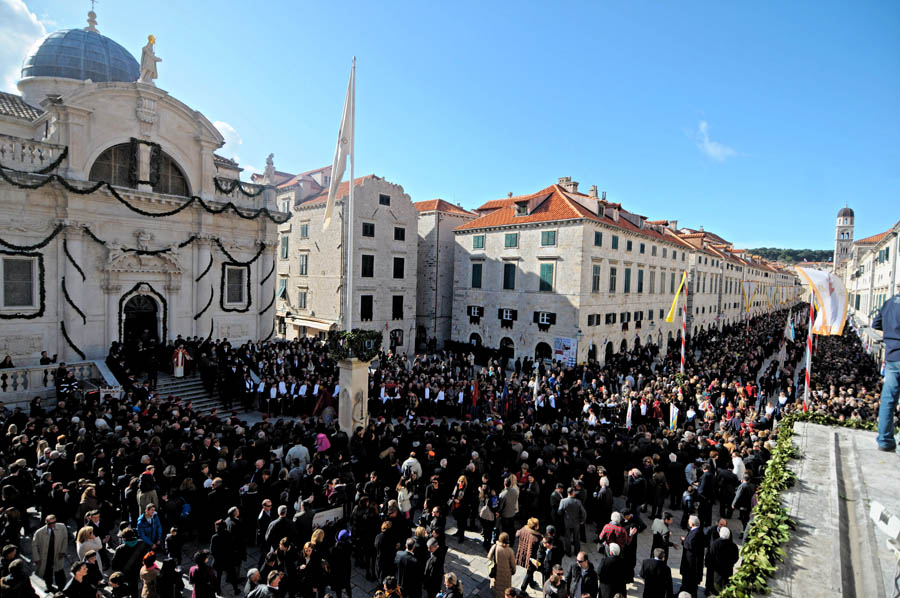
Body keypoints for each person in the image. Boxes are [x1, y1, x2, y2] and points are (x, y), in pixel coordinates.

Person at [873, 293, 900, 452]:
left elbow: (876, 323)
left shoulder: (889, 302)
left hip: (892, 356)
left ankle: (884, 440)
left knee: (888, 400)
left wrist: (892, 330)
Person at [32, 514, 68, 591]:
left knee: (59, 572)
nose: (52, 525)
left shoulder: (62, 527)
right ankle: (49, 586)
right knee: (47, 573)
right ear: (46, 522)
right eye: (49, 523)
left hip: (57, 554)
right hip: (46, 556)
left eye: (54, 522)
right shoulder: (39, 532)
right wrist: (37, 558)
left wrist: (62, 551)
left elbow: (65, 539)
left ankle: (62, 587)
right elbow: (34, 545)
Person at [706, 527, 739, 595]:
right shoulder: (733, 545)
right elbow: (736, 558)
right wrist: (730, 564)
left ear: (720, 533)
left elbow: (710, 557)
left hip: (717, 572)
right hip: (728, 571)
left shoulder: (715, 544)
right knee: (725, 588)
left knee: (717, 589)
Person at [679, 516, 705, 598]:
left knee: (690, 581)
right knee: (686, 580)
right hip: (690, 562)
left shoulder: (696, 533)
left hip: (692, 563)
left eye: (689, 521)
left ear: (692, 523)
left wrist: (684, 541)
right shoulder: (695, 531)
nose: (688, 522)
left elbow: (691, 545)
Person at [515, 518, 543, 592]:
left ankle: (531, 582)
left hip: (523, 553)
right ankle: (523, 589)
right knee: (530, 572)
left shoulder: (523, 529)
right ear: (535, 527)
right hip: (532, 558)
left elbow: (517, 534)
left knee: (530, 571)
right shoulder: (537, 537)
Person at [558, 487, 587, 556]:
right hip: (576, 523)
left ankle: (568, 553)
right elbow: (584, 512)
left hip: (567, 523)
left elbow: (559, 512)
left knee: (567, 538)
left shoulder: (563, 501)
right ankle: (577, 552)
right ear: (573, 493)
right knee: (576, 538)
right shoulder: (578, 501)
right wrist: (582, 520)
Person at [487, 532, 516, 598]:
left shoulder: (495, 547)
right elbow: (513, 565)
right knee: (506, 589)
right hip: (506, 574)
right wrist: (513, 571)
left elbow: (489, 557)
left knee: (496, 588)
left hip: (496, 572)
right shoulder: (510, 551)